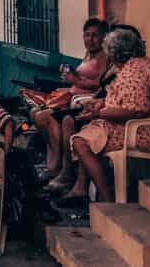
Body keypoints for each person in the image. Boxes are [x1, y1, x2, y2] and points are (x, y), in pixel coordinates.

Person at [62, 27, 150, 203]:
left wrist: (99, 113)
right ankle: (92, 190)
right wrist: (101, 104)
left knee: (81, 143)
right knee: (83, 132)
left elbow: (135, 110)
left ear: (116, 54)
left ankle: (108, 199)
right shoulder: (136, 65)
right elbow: (122, 99)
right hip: (132, 126)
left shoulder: (135, 71)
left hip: (143, 131)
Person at [36, 18, 109, 188]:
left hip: (84, 103)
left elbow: (101, 83)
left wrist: (74, 80)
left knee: (55, 119)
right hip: (74, 99)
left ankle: (64, 169)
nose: (90, 39)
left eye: (95, 35)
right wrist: (73, 77)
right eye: (87, 35)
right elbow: (83, 79)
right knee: (39, 115)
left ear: (104, 37)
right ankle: (55, 163)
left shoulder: (103, 57)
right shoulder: (88, 54)